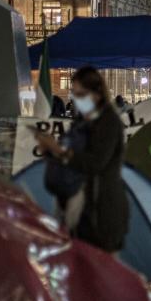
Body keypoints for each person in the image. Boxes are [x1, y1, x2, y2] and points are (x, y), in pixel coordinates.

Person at [34, 66, 128, 253]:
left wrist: (59, 151)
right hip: (76, 212)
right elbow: (71, 156)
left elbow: (95, 163)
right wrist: (50, 150)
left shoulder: (109, 123)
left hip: (100, 213)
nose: (77, 98)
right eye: (74, 93)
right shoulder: (82, 122)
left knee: (101, 275)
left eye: (82, 93)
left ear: (97, 94)